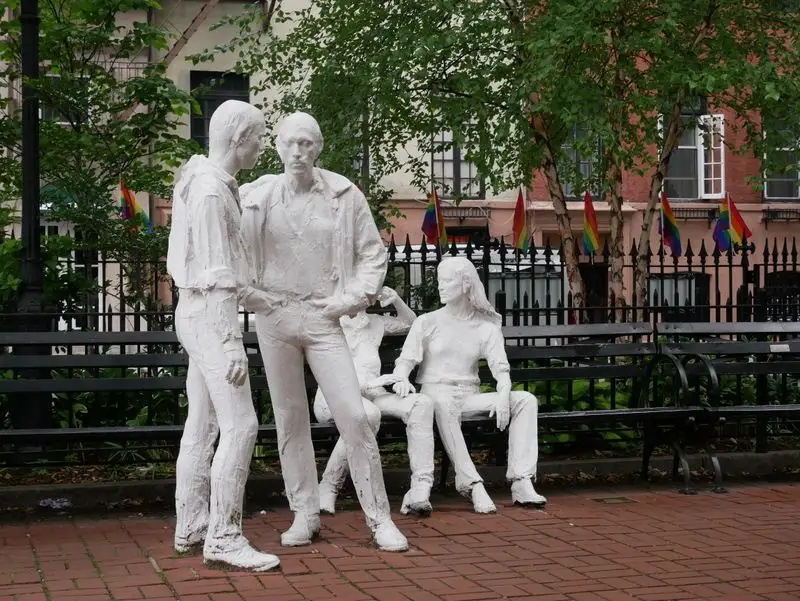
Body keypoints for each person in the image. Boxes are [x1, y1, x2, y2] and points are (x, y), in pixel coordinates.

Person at [240, 112, 408, 552]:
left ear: (319, 148)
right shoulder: (256, 196)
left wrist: (349, 300)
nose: (298, 152)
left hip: (322, 316)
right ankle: (305, 513)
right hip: (274, 317)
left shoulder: (343, 194)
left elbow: (373, 254)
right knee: (289, 419)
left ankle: (379, 518)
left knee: (353, 413)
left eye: (307, 144)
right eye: (291, 143)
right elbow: (222, 239)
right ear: (277, 147)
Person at [166, 99, 280, 572]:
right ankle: (224, 535)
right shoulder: (212, 192)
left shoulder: (202, 182)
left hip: (196, 313)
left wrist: (258, 297)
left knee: (204, 423)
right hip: (210, 319)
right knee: (242, 425)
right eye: (258, 135)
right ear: (238, 139)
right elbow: (214, 275)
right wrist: (232, 343)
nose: (262, 143)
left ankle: (190, 523)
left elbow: (217, 269)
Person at [380, 256, 547, 513]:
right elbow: (406, 361)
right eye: (439, 281)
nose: (440, 287)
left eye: (447, 281)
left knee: (525, 400)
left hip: (469, 395)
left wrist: (503, 395)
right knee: (443, 405)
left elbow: (501, 369)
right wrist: (401, 378)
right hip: (436, 392)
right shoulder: (427, 322)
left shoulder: (486, 326)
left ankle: (522, 481)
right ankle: (472, 484)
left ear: (466, 284)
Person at [313, 286, 435, 517]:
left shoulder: (376, 322)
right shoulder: (329, 323)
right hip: (333, 397)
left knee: (421, 404)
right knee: (367, 415)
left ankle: (419, 488)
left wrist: (397, 300)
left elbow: (411, 323)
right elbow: (329, 372)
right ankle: (328, 486)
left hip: (373, 394)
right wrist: (372, 383)